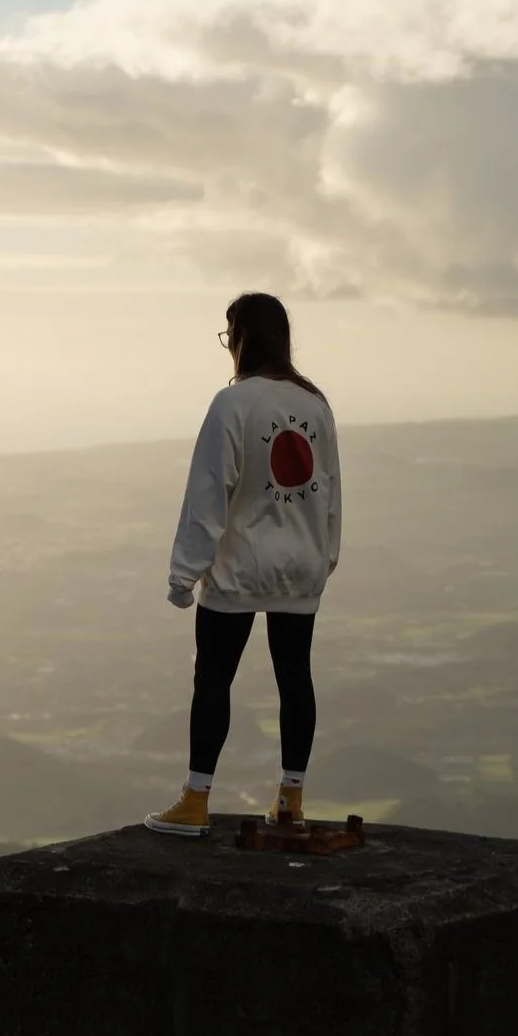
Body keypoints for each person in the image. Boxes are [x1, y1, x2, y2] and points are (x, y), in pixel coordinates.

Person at [145, 292, 341, 838]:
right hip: (300, 565)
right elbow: (330, 492)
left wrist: (184, 575)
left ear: (242, 338)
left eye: (228, 333)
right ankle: (291, 800)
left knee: (214, 678)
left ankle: (195, 800)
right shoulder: (315, 405)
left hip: (240, 568)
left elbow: (208, 494)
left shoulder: (231, 406)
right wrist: (324, 557)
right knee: (295, 676)